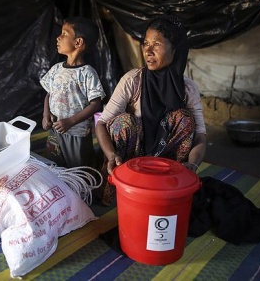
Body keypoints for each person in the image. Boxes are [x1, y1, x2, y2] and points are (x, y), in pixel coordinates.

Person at [95, 15, 207, 204]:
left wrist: (192, 164)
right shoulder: (133, 80)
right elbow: (102, 123)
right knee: (123, 122)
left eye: (156, 44)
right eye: (146, 43)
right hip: (128, 163)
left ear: (175, 49)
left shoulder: (187, 88)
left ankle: (170, 186)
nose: (147, 50)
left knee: (184, 118)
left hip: (165, 166)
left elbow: (201, 136)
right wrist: (112, 155)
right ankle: (118, 188)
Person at [40, 16, 106, 168]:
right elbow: (49, 94)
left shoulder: (87, 73)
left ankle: (83, 191)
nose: (58, 37)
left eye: (64, 34)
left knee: (79, 168)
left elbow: (96, 104)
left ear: (78, 42)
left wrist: (71, 121)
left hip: (77, 133)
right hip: (55, 131)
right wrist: (45, 114)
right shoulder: (56, 69)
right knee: (56, 166)